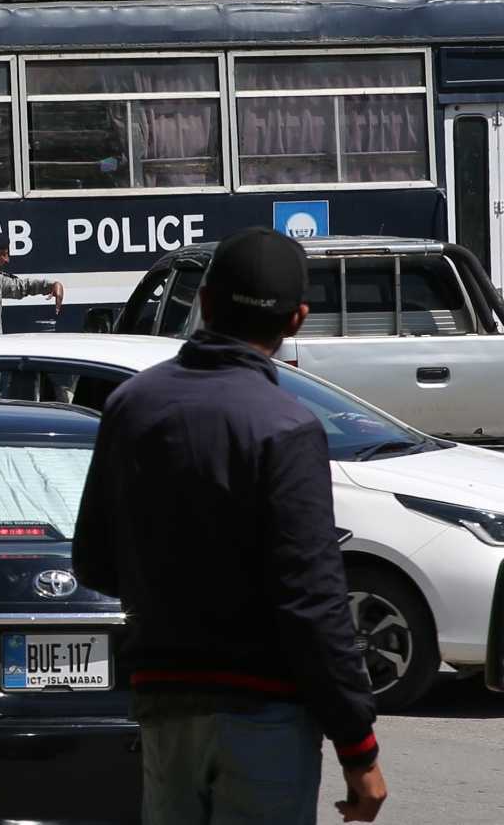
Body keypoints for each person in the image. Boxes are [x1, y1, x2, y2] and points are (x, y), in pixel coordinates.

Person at [73, 226, 387, 825]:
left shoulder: (130, 406)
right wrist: (358, 747)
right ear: (296, 321)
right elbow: (311, 601)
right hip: (264, 716)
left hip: (164, 706)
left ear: (205, 303)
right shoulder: (287, 426)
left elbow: (94, 561)